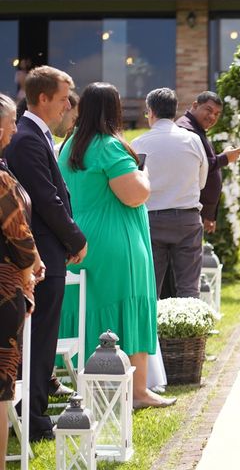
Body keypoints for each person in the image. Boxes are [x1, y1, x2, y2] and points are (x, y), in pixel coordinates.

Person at [59, 82, 174, 409]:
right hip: (115, 239)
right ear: (115, 109)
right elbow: (135, 194)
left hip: (80, 236)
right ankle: (137, 391)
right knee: (130, 306)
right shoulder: (108, 146)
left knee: (88, 309)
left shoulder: (69, 146)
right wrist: (146, 174)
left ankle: (86, 384)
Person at [5, 65, 87, 441]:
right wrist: (75, 239)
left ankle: (31, 411)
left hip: (48, 253)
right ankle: (34, 418)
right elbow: (46, 199)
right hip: (38, 255)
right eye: (62, 99)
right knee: (39, 342)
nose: (67, 106)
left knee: (43, 340)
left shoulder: (35, 136)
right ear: (42, 98)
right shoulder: (26, 139)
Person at [132, 87, 208, 298]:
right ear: (174, 111)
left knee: (150, 287)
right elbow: (201, 182)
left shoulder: (139, 143)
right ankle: (191, 330)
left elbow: (134, 186)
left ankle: (151, 331)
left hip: (151, 220)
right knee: (189, 287)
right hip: (187, 219)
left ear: (151, 112)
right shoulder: (193, 140)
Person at [0, 93, 42, 469]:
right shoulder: (0, 179)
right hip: (3, 288)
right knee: (0, 384)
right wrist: (32, 267)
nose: (15, 128)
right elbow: (18, 234)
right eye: (12, 121)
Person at [175, 91, 240, 234]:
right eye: (208, 110)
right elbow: (195, 167)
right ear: (195, 105)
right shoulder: (186, 129)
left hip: (199, 214)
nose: (212, 117)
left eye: (217, 114)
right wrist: (225, 158)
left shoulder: (197, 129)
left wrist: (209, 215)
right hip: (187, 213)